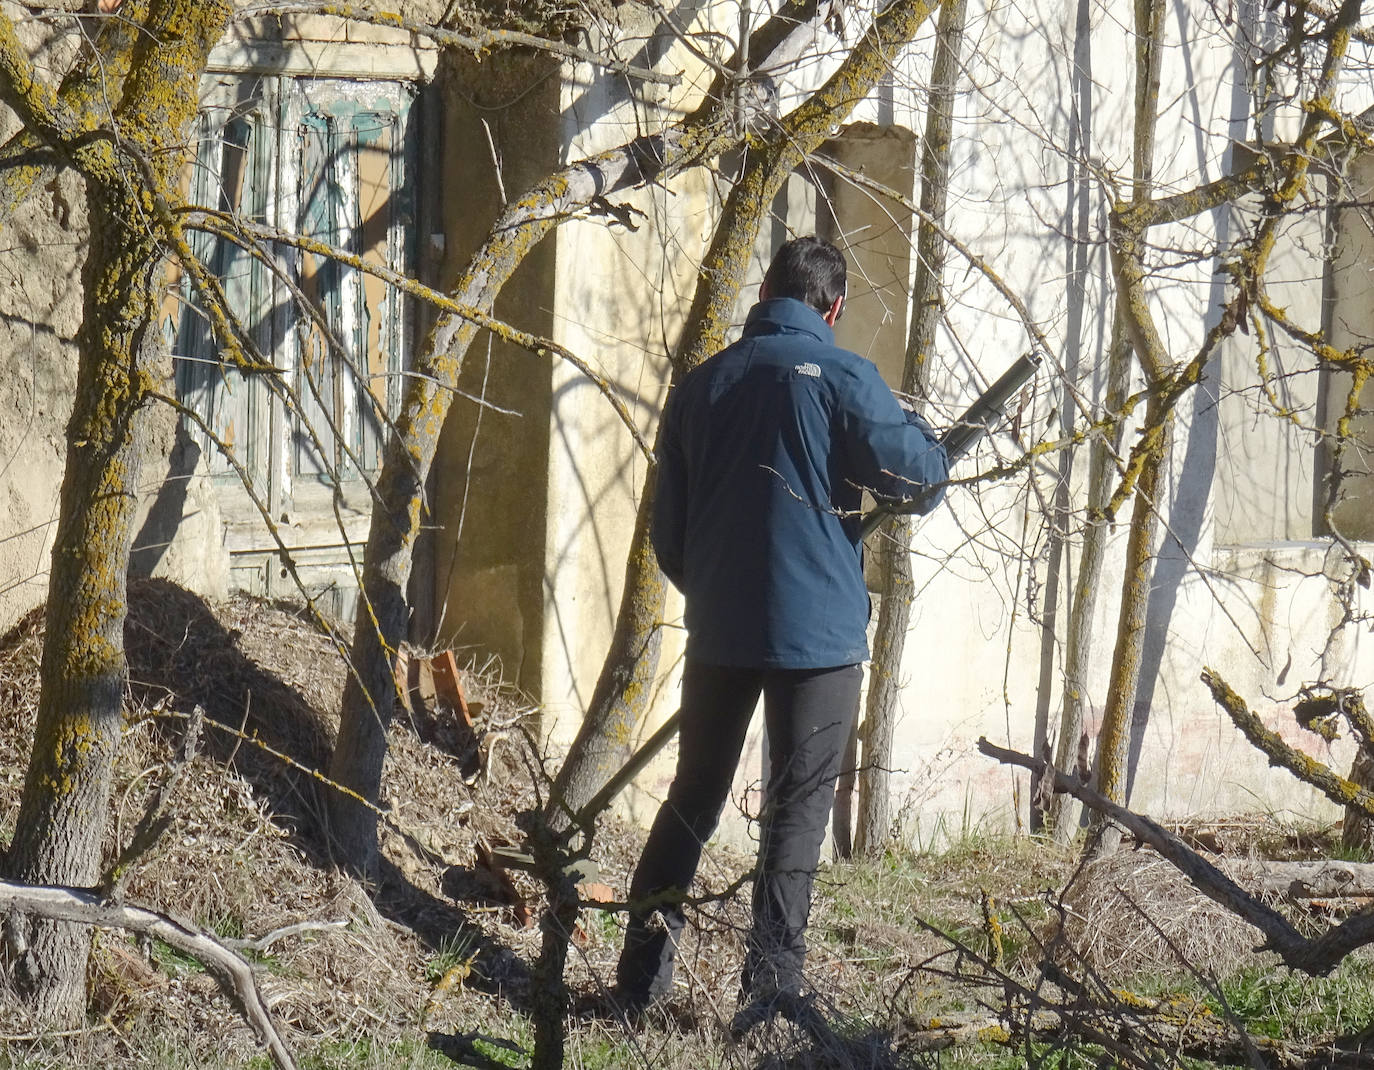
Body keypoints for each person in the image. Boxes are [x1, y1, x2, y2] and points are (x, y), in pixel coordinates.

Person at [614, 236, 949, 1028]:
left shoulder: (701, 386)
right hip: (821, 646)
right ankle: (766, 1001)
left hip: (720, 635)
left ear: (765, 291)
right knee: (796, 815)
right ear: (832, 309)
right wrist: (929, 439)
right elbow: (919, 478)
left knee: (691, 797)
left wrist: (726, 597)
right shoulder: (842, 376)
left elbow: (670, 537)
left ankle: (637, 982)